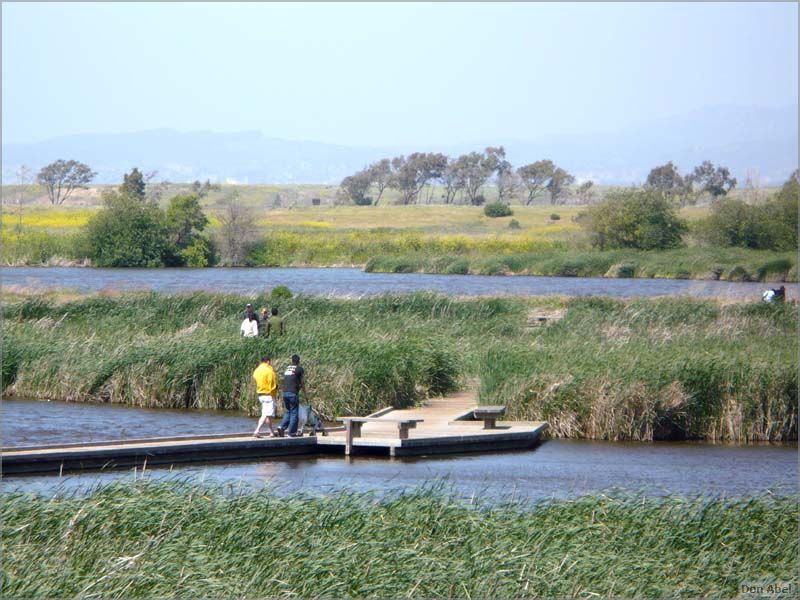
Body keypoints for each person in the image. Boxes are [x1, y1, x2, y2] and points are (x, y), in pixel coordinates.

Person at [277, 354, 305, 437]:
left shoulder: (287, 368)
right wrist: (305, 393)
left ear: (292, 361)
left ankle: (281, 427)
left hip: (285, 392)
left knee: (288, 411)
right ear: (299, 361)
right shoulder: (300, 369)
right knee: (294, 413)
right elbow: (302, 382)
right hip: (293, 393)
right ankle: (292, 433)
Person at [252, 356, 277, 437]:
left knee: (267, 414)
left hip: (260, 395)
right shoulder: (269, 371)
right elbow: (273, 384)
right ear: (268, 361)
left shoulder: (256, 370)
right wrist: (274, 394)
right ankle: (257, 430)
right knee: (266, 414)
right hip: (268, 395)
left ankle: (271, 432)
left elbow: (255, 380)